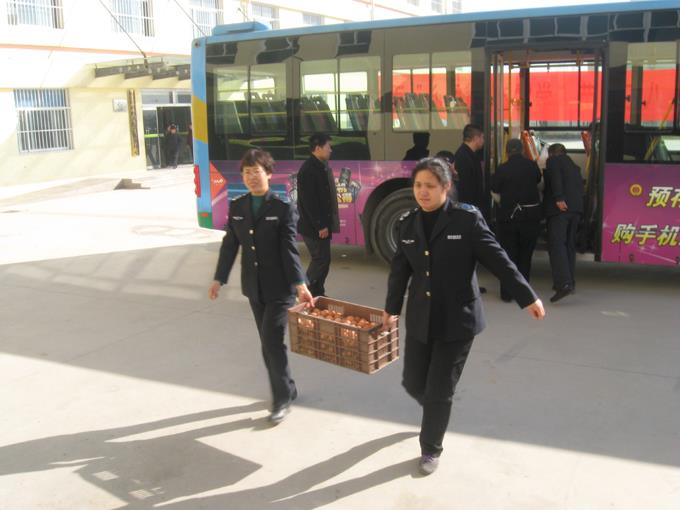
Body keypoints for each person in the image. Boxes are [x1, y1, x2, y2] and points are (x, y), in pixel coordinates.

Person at [382, 157, 545, 476]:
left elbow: (498, 259)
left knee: (439, 389)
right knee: (414, 381)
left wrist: (527, 296)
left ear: (446, 187)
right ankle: (433, 411)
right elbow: (399, 271)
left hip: (458, 320)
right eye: (418, 185)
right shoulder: (407, 223)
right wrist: (391, 309)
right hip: (421, 317)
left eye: (430, 186)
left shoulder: (466, 220)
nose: (423, 192)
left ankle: (430, 448)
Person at [209, 149, 314, 424]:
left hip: (280, 289)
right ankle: (288, 388)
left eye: (257, 171)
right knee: (268, 344)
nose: (252, 177)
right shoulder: (238, 206)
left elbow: (289, 250)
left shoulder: (282, 208)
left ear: (268, 174)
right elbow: (230, 245)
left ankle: (281, 399)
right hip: (253, 288)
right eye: (247, 173)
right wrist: (219, 278)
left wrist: (300, 284)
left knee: (271, 341)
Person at [491, 139, 543, 302]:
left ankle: (507, 293)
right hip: (530, 217)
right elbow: (538, 180)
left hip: (508, 218)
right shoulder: (532, 166)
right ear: (522, 151)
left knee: (508, 256)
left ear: (507, 152)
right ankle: (523, 293)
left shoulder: (502, 168)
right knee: (525, 255)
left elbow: (494, 188)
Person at [296, 133, 340, 297]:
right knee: (320, 260)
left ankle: (317, 292)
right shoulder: (308, 170)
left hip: (319, 224)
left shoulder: (321, 166)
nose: (331, 150)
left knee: (323, 260)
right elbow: (310, 202)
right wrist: (320, 225)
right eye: (328, 146)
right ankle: (305, 291)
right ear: (318, 148)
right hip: (313, 226)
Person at [543, 143, 584, 303]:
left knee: (557, 245)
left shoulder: (554, 161)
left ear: (552, 153)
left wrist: (559, 198)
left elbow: (555, 179)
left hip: (560, 210)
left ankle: (563, 283)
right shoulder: (575, 167)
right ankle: (570, 282)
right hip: (576, 210)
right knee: (569, 246)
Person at [454, 123, 488, 293]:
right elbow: (467, 187)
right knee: (467, 249)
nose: (483, 140)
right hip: (468, 209)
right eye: (482, 137)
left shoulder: (468, 154)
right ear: (476, 138)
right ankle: (466, 285)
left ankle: (469, 284)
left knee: (470, 249)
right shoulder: (463, 156)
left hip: (470, 208)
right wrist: (472, 210)